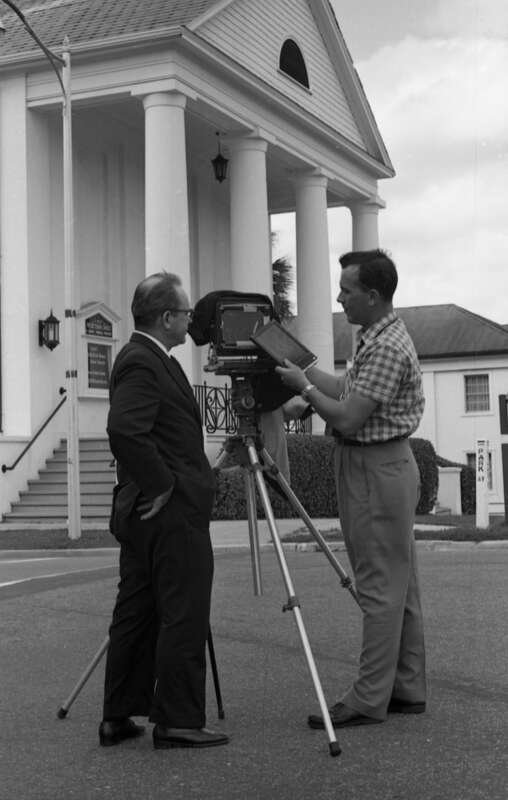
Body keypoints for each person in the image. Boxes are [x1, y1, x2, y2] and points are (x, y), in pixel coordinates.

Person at [275, 249, 426, 729]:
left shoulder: (385, 347)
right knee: (399, 584)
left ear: (373, 295)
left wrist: (304, 389)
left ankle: (368, 698)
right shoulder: (376, 336)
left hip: (375, 469)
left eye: (347, 290)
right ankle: (405, 686)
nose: (339, 298)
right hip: (381, 466)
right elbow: (344, 388)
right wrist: (304, 376)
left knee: (378, 586)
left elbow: (346, 416)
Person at [99, 272, 229, 750]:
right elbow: (124, 430)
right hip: (167, 510)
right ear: (167, 317)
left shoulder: (152, 358)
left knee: (137, 611)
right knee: (183, 612)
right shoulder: (142, 360)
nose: (191, 319)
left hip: (149, 511)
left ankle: (118, 714)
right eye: (186, 312)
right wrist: (162, 484)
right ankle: (177, 719)